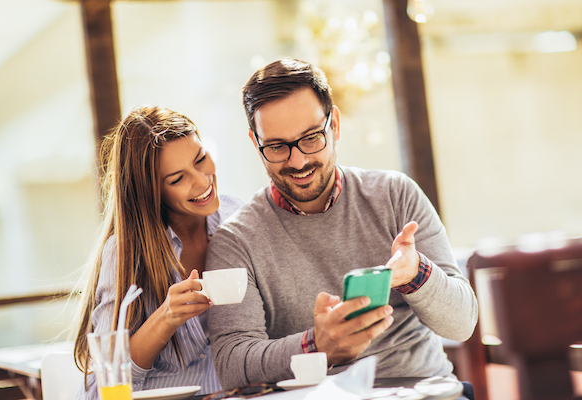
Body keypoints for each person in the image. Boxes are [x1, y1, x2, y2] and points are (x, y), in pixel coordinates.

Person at [205, 59, 478, 391]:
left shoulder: (396, 195)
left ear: (333, 124)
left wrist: (416, 273)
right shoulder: (236, 241)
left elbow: (462, 324)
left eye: (310, 138)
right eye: (277, 146)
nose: (298, 161)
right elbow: (233, 364)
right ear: (255, 142)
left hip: (418, 391)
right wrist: (317, 345)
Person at [73, 106, 242, 399]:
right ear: (152, 192)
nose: (202, 181)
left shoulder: (238, 218)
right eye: (178, 179)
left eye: (200, 159)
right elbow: (104, 387)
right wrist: (166, 316)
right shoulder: (126, 253)